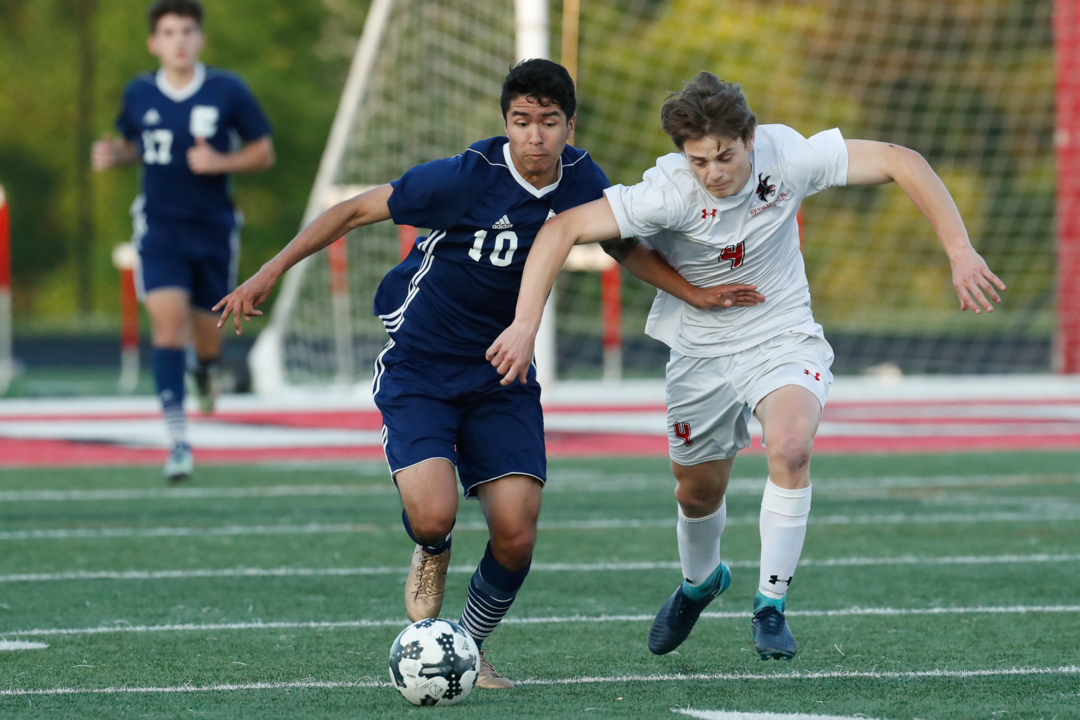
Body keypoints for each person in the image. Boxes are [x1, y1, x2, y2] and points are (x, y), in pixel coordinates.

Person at [215, 60, 760, 687]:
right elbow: (352, 211)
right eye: (522, 121)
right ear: (506, 123)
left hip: (503, 375)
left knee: (516, 534)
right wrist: (269, 271)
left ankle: (467, 648)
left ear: (569, 126)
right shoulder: (465, 177)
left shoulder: (584, 180)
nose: (535, 136)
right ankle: (432, 549)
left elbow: (624, 246)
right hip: (422, 366)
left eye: (549, 122)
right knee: (433, 514)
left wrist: (694, 292)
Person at [485, 71, 1005, 661]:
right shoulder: (668, 191)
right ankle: (700, 582)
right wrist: (525, 324)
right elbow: (562, 229)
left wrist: (960, 251)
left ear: (750, 139)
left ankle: (770, 604)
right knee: (698, 491)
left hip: (781, 335)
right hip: (700, 351)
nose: (714, 172)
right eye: (699, 159)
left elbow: (901, 160)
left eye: (725, 156)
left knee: (789, 448)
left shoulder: (788, 157)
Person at [92, 0, 275, 482]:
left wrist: (222, 163)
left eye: (187, 30)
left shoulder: (226, 89)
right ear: (154, 42)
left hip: (213, 228)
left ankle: (206, 371)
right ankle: (178, 441)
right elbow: (134, 144)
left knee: (204, 336)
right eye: (169, 32)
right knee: (167, 328)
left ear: (200, 39)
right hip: (160, 228)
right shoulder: (139, 92)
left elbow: (262, 152)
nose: (178, 40)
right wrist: (115, 155)